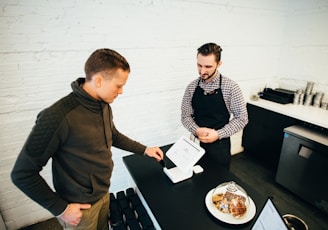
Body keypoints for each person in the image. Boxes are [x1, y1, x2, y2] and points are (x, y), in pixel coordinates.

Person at [11, 48, 164, 230]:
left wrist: (144, 149)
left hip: (103, 194)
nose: (121, 91)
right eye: (118, 85)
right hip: (79, 209)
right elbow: (22, 174)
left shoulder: (104, 105)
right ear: (99, 80)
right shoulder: (56, 117)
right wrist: (60, 209)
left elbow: (112, 135)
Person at [181, 42, 248, 170]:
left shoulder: (231, 87)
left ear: (219, 64)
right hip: (195, 145)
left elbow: (242, 118)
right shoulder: (191, 87)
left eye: (208, 66)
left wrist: (218, 134)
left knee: (218, 183)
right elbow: (185, 116)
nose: (202, 71)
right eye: (199, 65)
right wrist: (196, 129)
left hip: (220, 147)